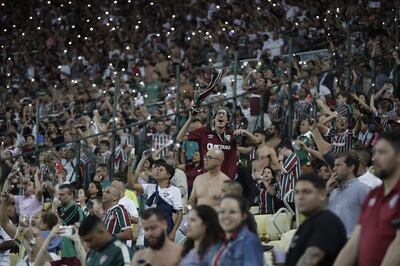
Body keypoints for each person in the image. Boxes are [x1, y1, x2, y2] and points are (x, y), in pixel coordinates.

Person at [334, 130, 400, 266]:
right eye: (375, 152)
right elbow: (355, 241)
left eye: (382, 152)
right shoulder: (373, 195)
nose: (374, 158)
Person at [177, 106, 258, 179]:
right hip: (208, 177)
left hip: (227, 179)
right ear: (213, 119)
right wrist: (190, 119)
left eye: (224, 114)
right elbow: (180, 138)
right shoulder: (203, 132)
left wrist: (244, 131)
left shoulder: (232, 134)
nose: (221, 116)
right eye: (219, 113)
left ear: (228, 121)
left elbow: (256, 141)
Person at [285, 174, 347, 266]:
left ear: (322, 195)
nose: (300, 197)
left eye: (306, 192)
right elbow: (295, 256)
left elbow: (312, 257)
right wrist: (279, 257)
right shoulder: (306, 224)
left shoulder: (327, 221)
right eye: (297, 192)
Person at [129, 158, 183, 240]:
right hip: (150, 227)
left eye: (161, 170)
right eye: (157, 169)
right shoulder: (150, 187)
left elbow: (179, 214)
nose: (158, 171)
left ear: (168, 175)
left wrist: (173, 232)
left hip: (166, 227)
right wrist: (130, 166)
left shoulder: (175, 190)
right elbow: (132, 185)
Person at [208, 195, 263, 266]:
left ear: (243, 215)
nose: (226, 216)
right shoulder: (219, 241)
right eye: (222, 211)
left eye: (232, 212)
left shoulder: (249, 241)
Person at [328, 152, 370, 238]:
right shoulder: (332, 193)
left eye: (338, 165)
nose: (334, 168)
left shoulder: (362, 190)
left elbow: (372, 221)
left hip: (353, 245)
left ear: (351, 167)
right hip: (332, 245)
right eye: (334, 165)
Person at [52, 183, 84, 258]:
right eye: (58, 195)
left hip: (72, 254)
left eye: (62, 195)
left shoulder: (75, 210)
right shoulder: (62, 209)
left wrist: (54, 210)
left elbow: (60, 228)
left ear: (71, 195)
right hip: (61, 252)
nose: (59, 198)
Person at [277, 139, 301, 211]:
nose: (280, 154)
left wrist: (280, 160)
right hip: (285, 195)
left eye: (280, 152)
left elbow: (283, 171)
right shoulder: (287, 159)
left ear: (284, 148)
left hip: (291, 196)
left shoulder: (293, 157)